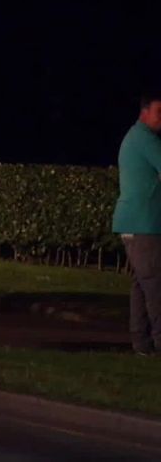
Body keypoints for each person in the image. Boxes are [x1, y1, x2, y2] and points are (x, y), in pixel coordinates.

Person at [112, 89, 161, 356]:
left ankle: (141, 343)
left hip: (132, 223)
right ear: (144, 112)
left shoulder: (135, 137)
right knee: (154, 285)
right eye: (159, 112)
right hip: (145, 224)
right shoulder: (146, 139)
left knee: (142, 285)